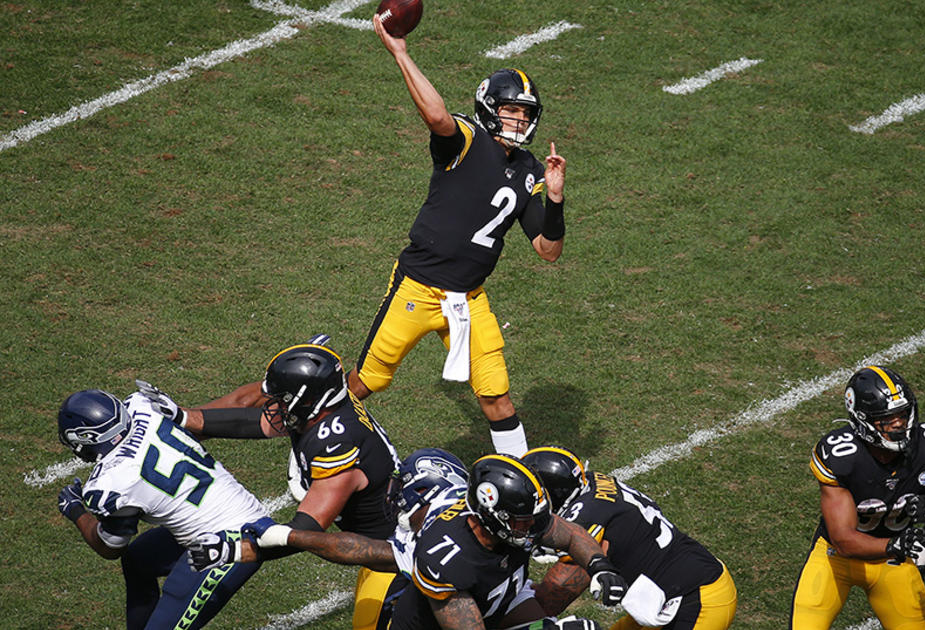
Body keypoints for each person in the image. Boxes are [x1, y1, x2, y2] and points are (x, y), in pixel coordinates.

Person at [335, 13, 569, 458]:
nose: (519, 121)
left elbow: (548, 250)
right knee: (367, 381)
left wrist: (555, 200)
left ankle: (522, 481)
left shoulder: (529, 170)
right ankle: (311, 442)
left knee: (496, 393)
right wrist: (401, 54)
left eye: (525, 114)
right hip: (419, 286)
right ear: (488, 110)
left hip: (469, 298)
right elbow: (437, 115)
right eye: (510, 111)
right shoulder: (465, 140)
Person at [191, 451, 610, 630]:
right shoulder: (446, 557)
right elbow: (367, 551)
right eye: (521, 523)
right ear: (490, 516)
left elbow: (566, 532)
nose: (534, 529)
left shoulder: (481, 513)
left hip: (495, 598)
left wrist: (600, 566)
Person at [153, 340, 403, 630]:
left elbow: (307, 530)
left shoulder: (337, 444)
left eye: (283, 398)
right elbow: (257, 422)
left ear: (309, 401)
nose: (275, 405)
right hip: (376, 544)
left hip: (393, 556)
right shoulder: (326, 408)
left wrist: (235, 551)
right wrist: (184, 416)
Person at [54, 387, 269, 629]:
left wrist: (74, 509)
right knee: (138, 560)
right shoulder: (143, 406)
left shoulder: (110, 483)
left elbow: (110, 546)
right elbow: (193, 429)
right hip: (232, 511)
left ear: (87, 439)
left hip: (227, 542)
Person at [790, 366, 925, 630]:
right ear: (863, 420)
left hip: (893, 562)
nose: (898, 424)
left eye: (903, 414)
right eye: (887, 418)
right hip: (836, 558)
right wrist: (893, 545)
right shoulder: (842, 456)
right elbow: (844, 540)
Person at [523, 445, 738, 630]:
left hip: (696, 599)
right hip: (678, 584)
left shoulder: (586, 522)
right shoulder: (592, 484)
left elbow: (548, 602)